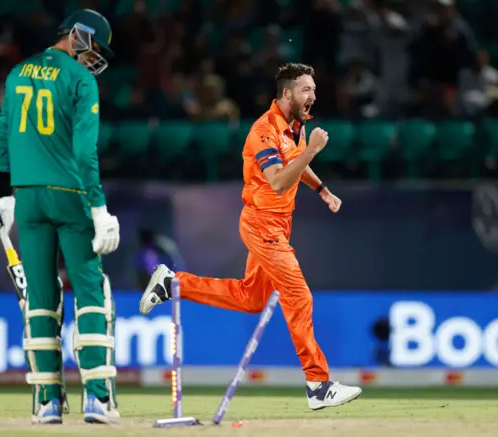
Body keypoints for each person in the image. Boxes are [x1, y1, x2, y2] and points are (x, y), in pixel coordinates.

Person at [140, 63, 362, 411]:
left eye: (314, 90)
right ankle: (318, 385)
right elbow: (277, 179)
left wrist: (322, 189)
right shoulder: (263, 130)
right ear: (286, 93)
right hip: (262, 225)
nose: (313, 96)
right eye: (307, 90)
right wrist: (313, 149)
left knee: (252, 298)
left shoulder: (295, 127)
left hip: (277, 224)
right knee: (298, 296)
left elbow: (296, 166)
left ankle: (173, 284)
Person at [0, 9, 121, 425]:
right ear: (77, 35)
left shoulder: (19, 72)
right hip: (70, 195)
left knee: (40, 298)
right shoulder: (81, 80)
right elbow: (83, 152)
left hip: (28, 200)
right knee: (92, 292)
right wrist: (99, 208)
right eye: (93, 45)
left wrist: (5, 201)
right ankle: (97, 399)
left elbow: (1, 138)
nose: (95, 56)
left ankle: (47, 403)